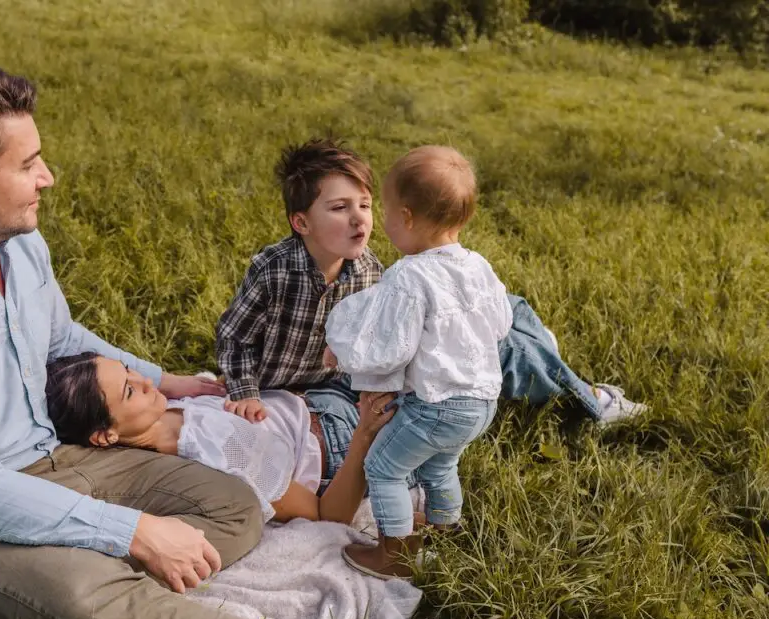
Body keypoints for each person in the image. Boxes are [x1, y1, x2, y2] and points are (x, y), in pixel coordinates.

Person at [0, 62, 473, 619]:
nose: (47, 177)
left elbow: (59, 336)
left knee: (236, 505)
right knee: (94, 598)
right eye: (28, 166)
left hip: (58, 454)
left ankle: (9, 608)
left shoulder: (16, 240)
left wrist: (166, 381)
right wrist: (134, 531)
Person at [214, 139, 647, 467]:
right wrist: (246, 392)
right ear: (302, 221)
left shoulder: (367, 266)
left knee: (502, 307)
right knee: (491, 338)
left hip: (359, 363)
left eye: (365, 204)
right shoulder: (274, 270)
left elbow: (389, 325)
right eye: (340, 207)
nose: (359, 217)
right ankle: (582, 393)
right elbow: (234, 337)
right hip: (321, 386)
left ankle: (538, 349)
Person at [325, 146, 509, 578]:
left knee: (383, 467)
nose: (382, 223)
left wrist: (344, 352)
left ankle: (395, 555)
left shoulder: (409, 275)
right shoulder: (477, 265)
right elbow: (501, 322)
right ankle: (446, 527)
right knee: (440, 463)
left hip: (439, 403)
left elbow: (389, 346)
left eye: (385, 213)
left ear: (406, 217)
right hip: (482, 401)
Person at [45, 351, 397, 525]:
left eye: (128, 370)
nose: (147, 382)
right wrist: (366, 435)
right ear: (106, 436)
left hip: (312, 397)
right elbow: (323, 514)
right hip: (341, 439)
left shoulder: (161, 415)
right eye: (129, 391)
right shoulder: (216, 453)